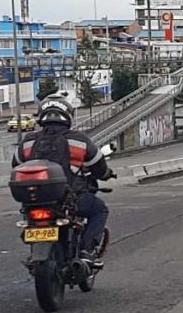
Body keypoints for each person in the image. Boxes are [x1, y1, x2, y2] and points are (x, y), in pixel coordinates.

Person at [12, 94, 113, 266]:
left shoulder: (28, 142)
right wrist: (105, 174)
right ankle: (86, 250)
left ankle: (35, 249)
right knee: (99, 210)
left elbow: (16, 165)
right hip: (71, 200)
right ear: (67, 116)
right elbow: (98, 166)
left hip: (35, 201)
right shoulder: (79, 140)